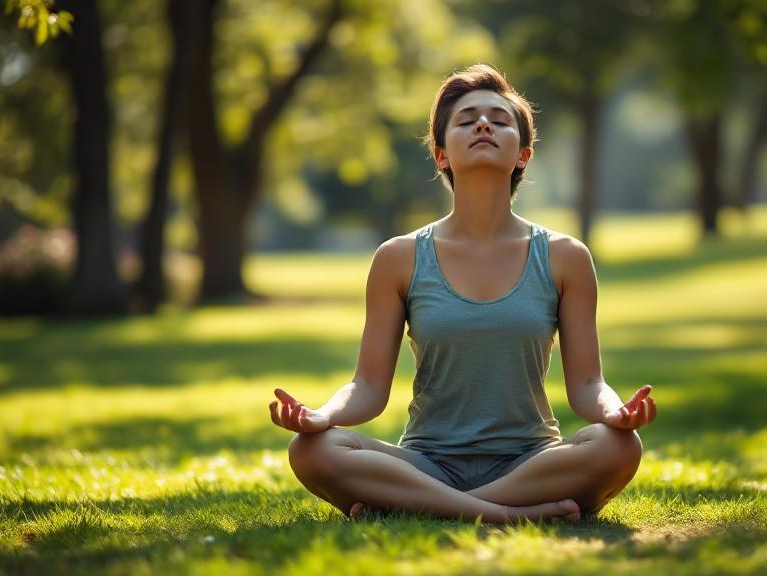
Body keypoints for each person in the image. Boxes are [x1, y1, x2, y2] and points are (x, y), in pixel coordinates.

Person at [269, 64, 656, 524]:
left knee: (618, 446)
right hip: (427, 463)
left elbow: (588, 385)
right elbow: (368, 387)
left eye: (499, 118)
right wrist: (320, 415)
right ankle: (506, 514)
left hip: (531, 460)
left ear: (523, 155)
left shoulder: (564, 256)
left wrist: (617, 412)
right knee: (312, 450)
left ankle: (423, 506)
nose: (483, 124)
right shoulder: (399, 257)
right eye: (466, 118)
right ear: (441, 155)